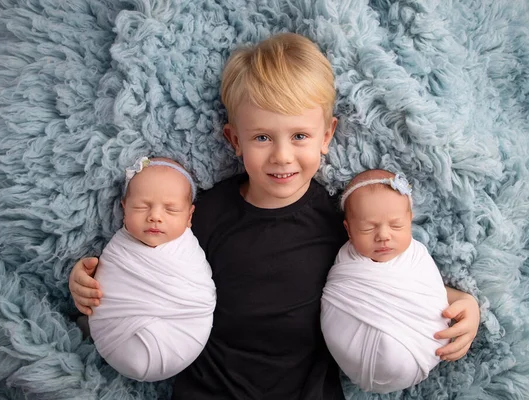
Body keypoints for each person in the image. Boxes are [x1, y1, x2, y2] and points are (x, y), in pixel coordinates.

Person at [68, 33, 480, 399]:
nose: (282, 155)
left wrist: (460, 303)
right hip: (210, 388)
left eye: (299, 136)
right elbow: (142, 264)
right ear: (234, 140)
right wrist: (89, 284)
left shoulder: (341, 220)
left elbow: (390, 280)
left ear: (327, 137)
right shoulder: (204, 214)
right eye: (262, 137)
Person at [321, 169, 452, 393]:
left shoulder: (416, 257)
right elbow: (336, 296)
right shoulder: (346, 263)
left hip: (422, 348)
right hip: (355, 354)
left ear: (410, 220)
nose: (383, 235)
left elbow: (432, 296)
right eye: (367, 227)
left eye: (396, 225)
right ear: (349, 230)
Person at [87, 156, 216, 382]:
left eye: (171, 209)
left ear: (189, 216)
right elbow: (106, 290)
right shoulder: (118, 251)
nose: (155, 216)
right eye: (141, 206)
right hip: (115, 338)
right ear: (124, 208)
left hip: (182, 335)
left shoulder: (187, 253)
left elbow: (200, 296)